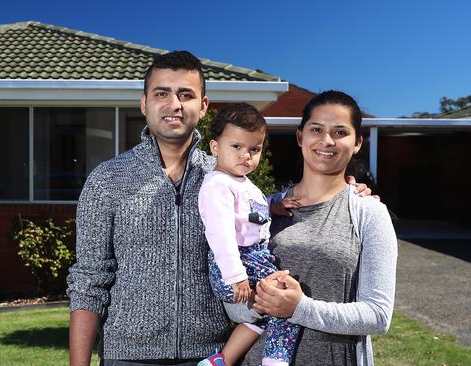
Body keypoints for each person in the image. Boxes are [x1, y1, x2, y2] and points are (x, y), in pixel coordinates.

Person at [67, 50, 372, 366]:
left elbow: (270, 210)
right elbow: (89, 281)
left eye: (186, 94)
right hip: (126, 357)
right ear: (144, 103)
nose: (174, 104)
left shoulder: (228, 176)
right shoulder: (108, 179)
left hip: (208, 354)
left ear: (203, 106)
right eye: (162, 93)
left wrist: (348, 192)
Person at [249, 90, 397, 366]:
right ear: (300, 136)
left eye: (340, 132)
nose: (327, 140)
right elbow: (234, 294)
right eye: (316, 129)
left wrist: (299, 308)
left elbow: (378, 316)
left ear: (357, 143)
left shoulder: (369, 213)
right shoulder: (264, 208)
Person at [197, 103, 300, 366]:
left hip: (253, 260)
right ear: (215, 147)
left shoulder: (241, 182)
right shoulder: (217, 185)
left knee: (265, 314)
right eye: (237, 147)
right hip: (238, 264)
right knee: (285, 306)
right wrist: (236, 276)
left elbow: (250, 211)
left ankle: (221, 361)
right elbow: (220, 235)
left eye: (254, 149)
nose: (246, 156)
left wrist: (273, 205)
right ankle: (275, 362)